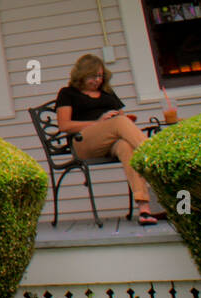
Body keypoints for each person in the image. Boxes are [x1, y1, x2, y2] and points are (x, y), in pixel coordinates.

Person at [55, 54, 164, 225]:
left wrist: (120, 121)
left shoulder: (107, 92)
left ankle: (144, 209)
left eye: (100, 76)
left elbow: (122, 118)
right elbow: (64, 125)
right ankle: (159, 159)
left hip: (110, 141)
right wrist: (98, 122)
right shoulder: (68, 93)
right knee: (118, 122)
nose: (97, 80)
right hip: (84, 142)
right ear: (81, 75)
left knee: (126, 146)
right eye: (93, 76)